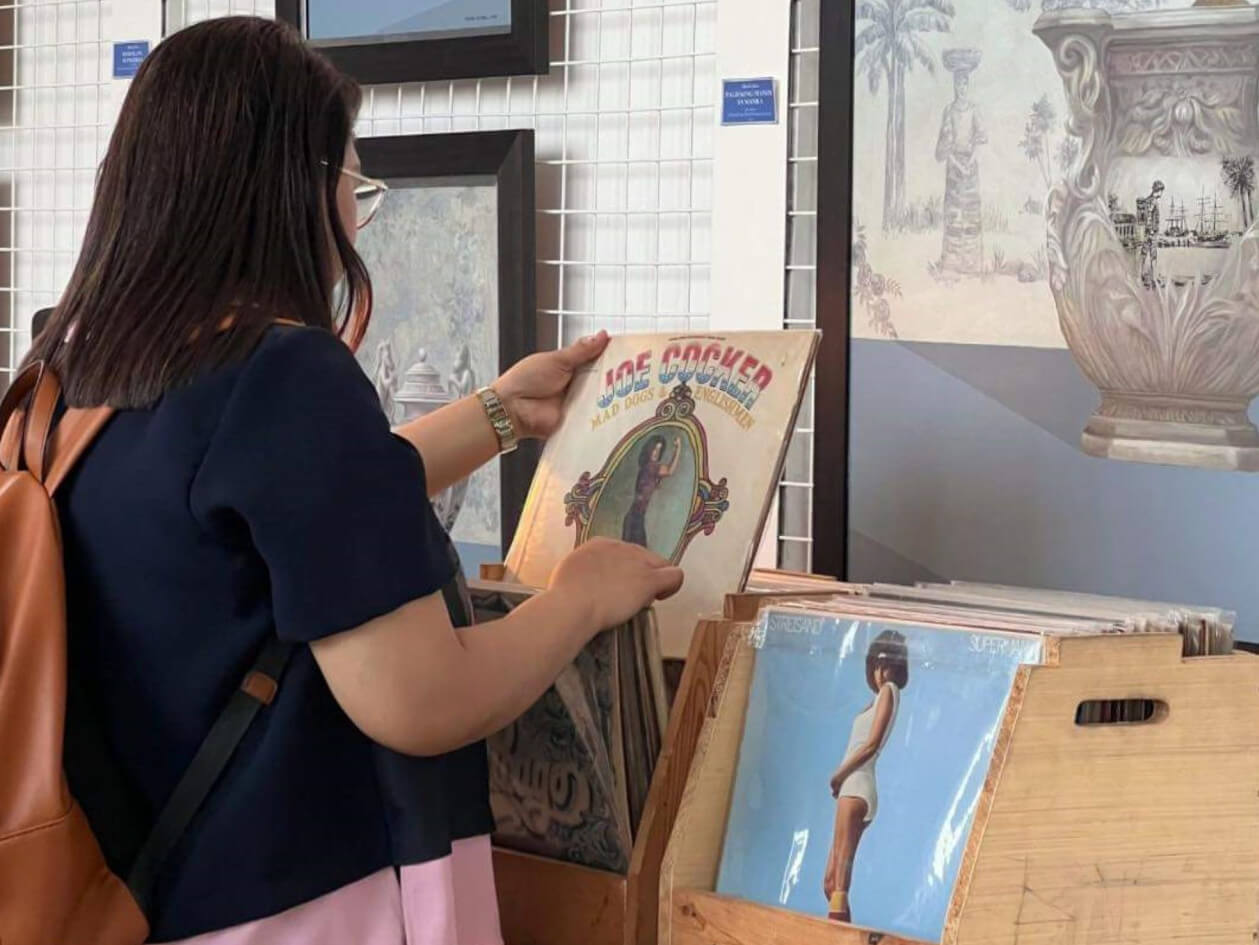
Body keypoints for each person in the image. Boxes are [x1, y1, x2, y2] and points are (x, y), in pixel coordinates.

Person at [20, 17, 683, 944]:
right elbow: (422, 700)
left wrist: (498, 414)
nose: (349, 222)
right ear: (289, 191)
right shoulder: (283, 376)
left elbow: (303, 518)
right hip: (303, 905)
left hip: (132, 890)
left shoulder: (72, 370)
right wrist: (578, 597)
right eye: (352, 185)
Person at [822, 630, 909, 924]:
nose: (880, 672)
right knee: (831, 882)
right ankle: (847, 934)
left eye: (886, 665)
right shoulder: (877, 699)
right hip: (852, 786)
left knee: (841, 880)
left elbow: (871, 744)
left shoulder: (889, 691)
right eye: (876, 665)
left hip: (856, 784)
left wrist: (838, 775)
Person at [936, 50, 986, 274]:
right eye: (958, 84)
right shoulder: (949, 111)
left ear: (969, 85)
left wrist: (971, 161)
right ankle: (953, 263)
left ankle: (972, 263)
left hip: (971, 168)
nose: (962, 88)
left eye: (965, 83)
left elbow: (980, 140)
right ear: (954, 86)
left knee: (971, 214)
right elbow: (944, 146)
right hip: (955, 169)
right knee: (955, 215)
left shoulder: (975, 110)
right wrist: (957, 164)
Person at [621, 433, 682, 548]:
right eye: (654, 449)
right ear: (649, 449)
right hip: (635, 519)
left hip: (635, 518)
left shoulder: (647, 467)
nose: (656, 453)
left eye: (659, 450)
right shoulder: (651, 467)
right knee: (637, 555)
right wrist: (678, 448)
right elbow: (669, 470)